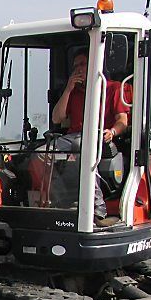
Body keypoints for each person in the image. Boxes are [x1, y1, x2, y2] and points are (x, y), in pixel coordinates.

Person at [49, 50, 129, 221]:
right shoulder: (73, 93)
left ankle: (97, 207)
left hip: (101, 137)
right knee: (42, 154)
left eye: (82, 64)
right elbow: (57, 117)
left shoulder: (113, 88)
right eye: (75, 66)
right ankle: (59, 202)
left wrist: (112, 131)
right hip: (73, 136)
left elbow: (123, 120)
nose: (78, 69)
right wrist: (69, 89)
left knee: (81, 147)